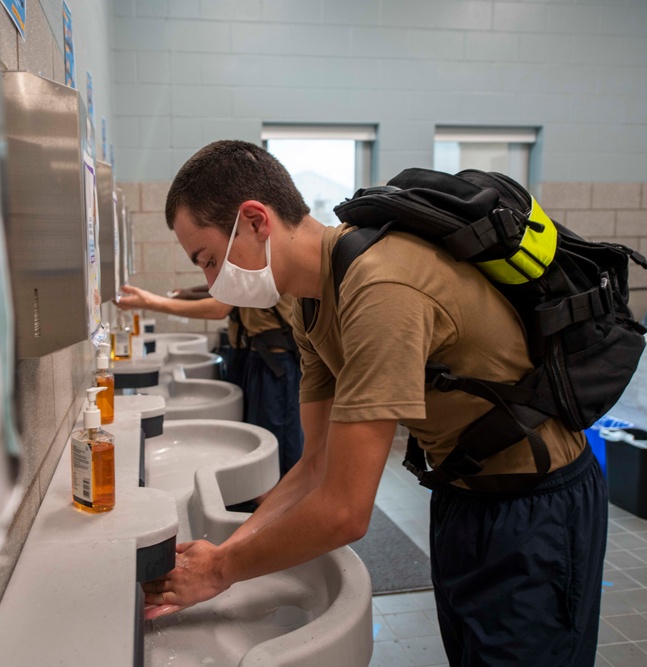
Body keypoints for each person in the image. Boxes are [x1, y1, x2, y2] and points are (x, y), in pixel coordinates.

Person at [141, 140, 606, 666]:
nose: (210, 281)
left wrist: (222, 571)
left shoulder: (381, 287)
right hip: (462, 495)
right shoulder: (306, 302)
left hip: (535, 504)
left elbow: (344, 510)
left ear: (254, 220)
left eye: (208, 260)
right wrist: (225, 552)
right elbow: (315, 464)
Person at [115, 285, 304, 476]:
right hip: (258, 357)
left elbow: (218, 308)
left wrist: (150, 302)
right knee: (264, 439)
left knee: (278, 443)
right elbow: (228, 288)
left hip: (275, 363)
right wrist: (190, 293)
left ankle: (287, 499)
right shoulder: (247, 268)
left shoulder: (261, 260)